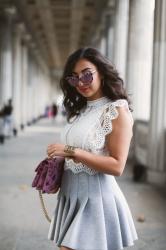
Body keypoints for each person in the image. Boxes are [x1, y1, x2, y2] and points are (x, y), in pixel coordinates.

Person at [47, 47, 138, 250]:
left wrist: (71, 151)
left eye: (87, 75)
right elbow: (74, 153)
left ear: (102, 72)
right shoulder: (80, 110)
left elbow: (117, 166)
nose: (81, 82)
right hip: (71, 197)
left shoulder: (116, 110)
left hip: (96, 201)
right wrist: (57, 169)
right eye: (74, 78)